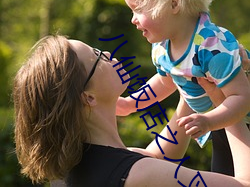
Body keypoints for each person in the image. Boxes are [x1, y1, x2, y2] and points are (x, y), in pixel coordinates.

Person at [13, 35, 250, 187]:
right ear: (88, 97)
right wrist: (227, 102)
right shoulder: (138, 175)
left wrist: (190, 74)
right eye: (97, 57)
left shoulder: (78, 169)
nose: (107, 54)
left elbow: (160, 156)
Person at [120, 0, 250, 176]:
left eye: (138, 9)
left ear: (173, 4)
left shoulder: (211, 46)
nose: (132, 19)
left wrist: (209, 121)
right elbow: (166, 81)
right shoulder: (162, 46)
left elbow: (242, 97)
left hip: (239, 123)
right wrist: (131, 103)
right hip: (220, 126)